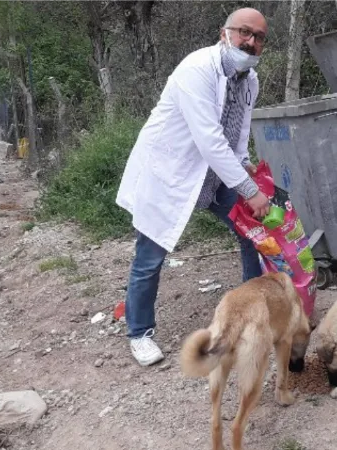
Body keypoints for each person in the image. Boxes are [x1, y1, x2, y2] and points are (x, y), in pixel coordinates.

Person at [115, 7, 272, 366]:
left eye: (258, 37)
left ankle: (248, 310)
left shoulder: (250, 80)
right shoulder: (197, 69)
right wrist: (249, 189)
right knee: (150, 255)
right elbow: (209, 141)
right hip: (172, 169)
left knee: (252, 229)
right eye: (243, 32)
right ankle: (139, 333)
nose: (250, 42)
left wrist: (245, 164)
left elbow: (238, 133)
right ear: (224, 33)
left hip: (217, 171)